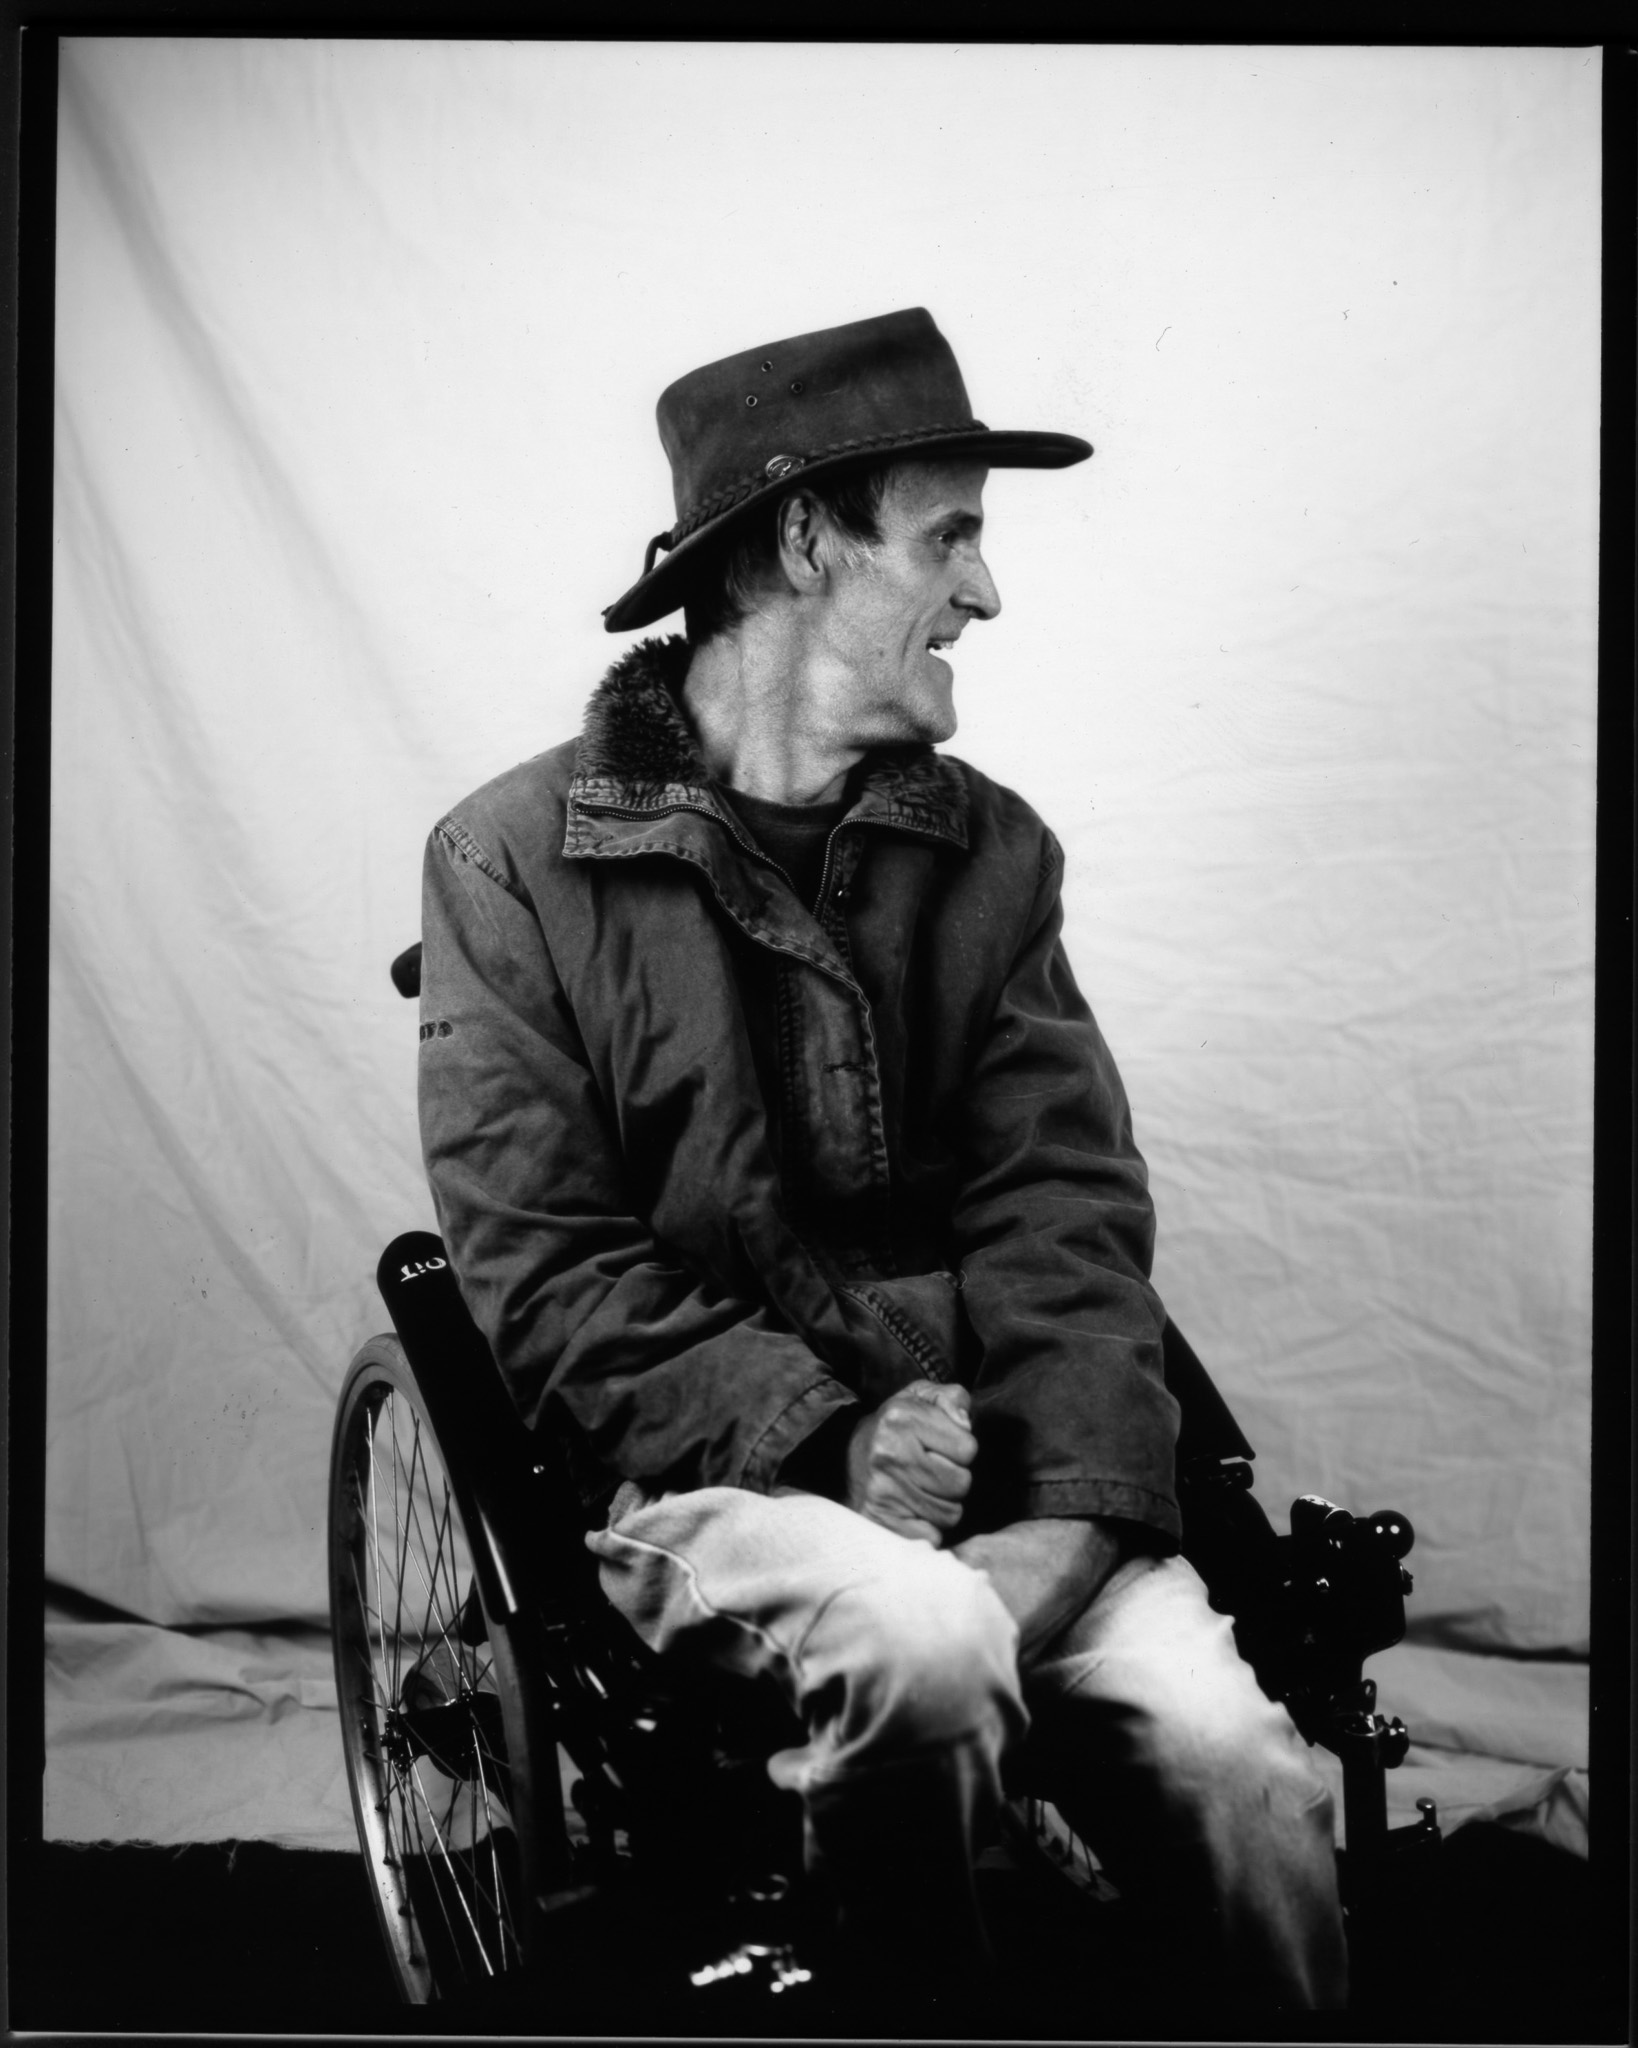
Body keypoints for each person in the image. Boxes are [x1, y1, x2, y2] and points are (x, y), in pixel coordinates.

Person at [417, 307, 1347, 2011]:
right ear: (800, 539)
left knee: (1246, 1778)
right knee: (918, 1645)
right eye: (952, 535)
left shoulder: (989, 854)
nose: (984, 596)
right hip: (709, 1482)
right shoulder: (508, 863)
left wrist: (1066, 1524)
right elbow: (545, 1274)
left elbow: (1063, 1213)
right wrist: (832, 1441)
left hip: (999, 1462)